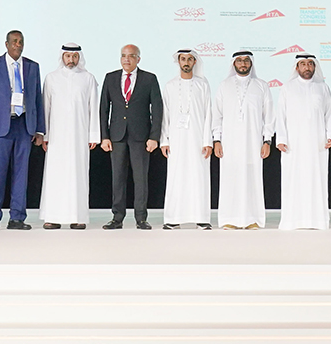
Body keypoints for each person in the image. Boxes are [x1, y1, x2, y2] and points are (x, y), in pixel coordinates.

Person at [0, 30, 45, 230]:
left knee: (21, 174)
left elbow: (38, 99)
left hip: (24, 126)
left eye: (21, 41)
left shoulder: (32, 67)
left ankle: (17, 217)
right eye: (14, 41)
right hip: (0, 126)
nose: (18, 45)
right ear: (6, 44)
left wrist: (40, 129)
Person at [100, 44, 162, 230]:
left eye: (131, 56)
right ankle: (117, 218)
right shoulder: (110, 78)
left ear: (138, 59)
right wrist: (104, 136)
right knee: (117, 178)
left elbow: (157, 109)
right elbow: (103, 109)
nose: (127, 59)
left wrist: (154, 136)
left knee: (141, 178)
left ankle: (141, 218)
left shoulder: (149, 79)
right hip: (116, 136)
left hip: (141, 136)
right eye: (123, 56)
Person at [39, 43, 99, 230]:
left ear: (79, 57)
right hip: (56, 137)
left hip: (80, 136)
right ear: (62, 57)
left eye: (74, 56)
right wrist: (45, 135)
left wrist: (93, 135)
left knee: (78, 174)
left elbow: (93, 108)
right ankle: (52, 216)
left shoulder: (88, 78)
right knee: (55, 175)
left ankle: (78, 217)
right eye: (67, 56)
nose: (71, 60)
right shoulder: (51, 78)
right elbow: (45, 108)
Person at [275, 54, 331, 230]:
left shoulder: (322, 87)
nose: (307, 67)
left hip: (317, 144)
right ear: (297, 67)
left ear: (315, 67)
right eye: (303, 64)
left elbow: (330, 113)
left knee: (316, 180)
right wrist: (281, 138)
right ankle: (292, 221)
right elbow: (281, 115)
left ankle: (317, 221)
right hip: (293, 145)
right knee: (293, 180)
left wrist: (330, 135)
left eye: (310, 64)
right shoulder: (287, 88)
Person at [213, 51, 272, 230]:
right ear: (234, 64)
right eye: (239, 61)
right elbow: (217, 115)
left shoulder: (261, 86)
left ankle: (252, 219)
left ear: (251, 63)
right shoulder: (224, 86)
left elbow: (269, 116)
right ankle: (229, 219)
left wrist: (267, 141)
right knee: (230, 179)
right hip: (229, 143)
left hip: (253, 143)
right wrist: (216, 140)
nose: (243, 64)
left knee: (252, 179)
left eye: (246, 60)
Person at [161, 49, 213, 229]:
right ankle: (173, 219)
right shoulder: (170, 85)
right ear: (178, 62)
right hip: (176, 140)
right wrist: (164, 140)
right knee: (176, 177)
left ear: (194, 62)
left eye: (190, 59)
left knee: (198, 177)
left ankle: (201, 218)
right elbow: (165, 115)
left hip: (198, 140)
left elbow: (208, 114)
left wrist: (207, 141)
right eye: (183, 59)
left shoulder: (203, 85)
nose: (186, 62)